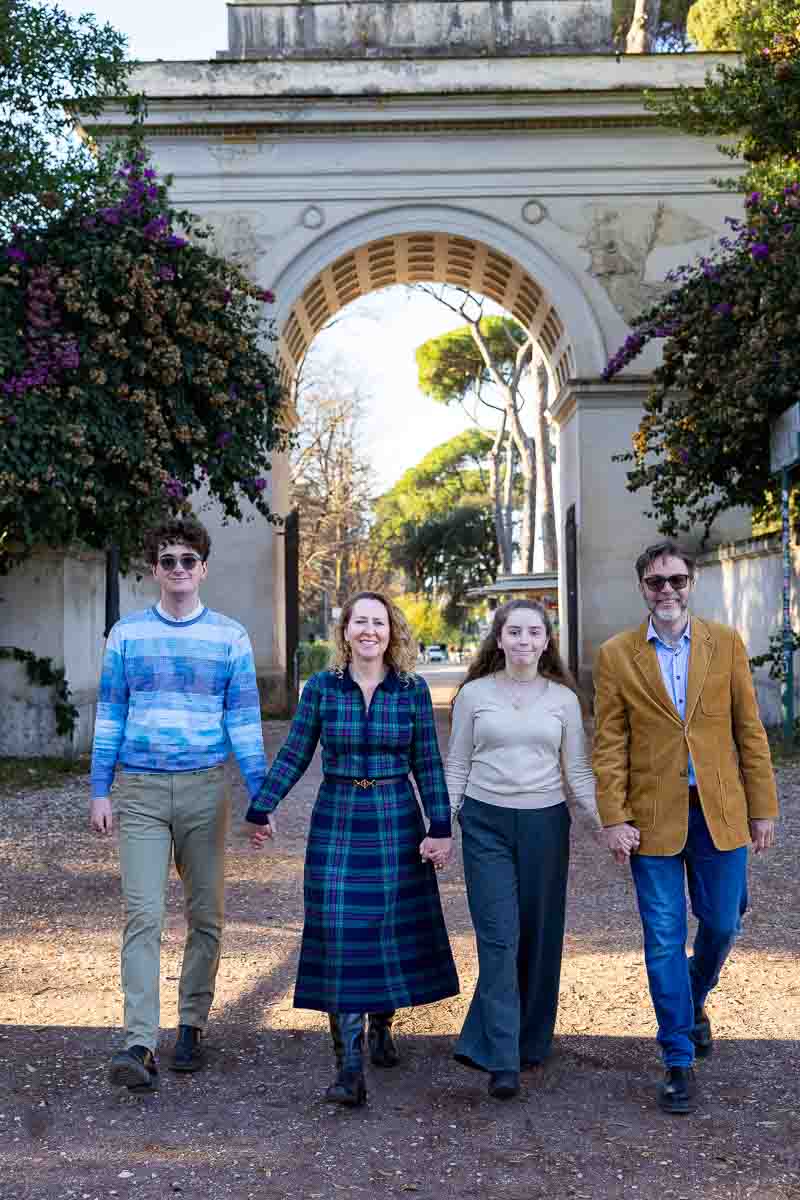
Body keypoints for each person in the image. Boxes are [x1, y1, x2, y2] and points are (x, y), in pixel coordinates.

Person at [246, 591, 459, 1107]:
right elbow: (296, 750)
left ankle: (383, 1024)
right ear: (345, 632)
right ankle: (348, 1068)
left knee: (386, 929)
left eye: (378, 623)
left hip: (395, 818)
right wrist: (263, 805)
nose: (369, 631)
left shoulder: (410, 690)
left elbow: (428, 763)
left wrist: (440, 826)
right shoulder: (321, 688)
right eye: (359, 622)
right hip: (338, 817)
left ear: (392, 632)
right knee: (340, 932)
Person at [593, 540, 778, 1115]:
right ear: (642, 587)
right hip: (652, 818)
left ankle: (692, 998)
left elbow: (749, 729)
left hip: (720, 811)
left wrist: (763, 807)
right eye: (656, 582)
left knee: (723, 922)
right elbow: (609, 744)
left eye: (676, 580)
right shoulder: (617, 654)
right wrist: (614, 816)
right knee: (663, 938)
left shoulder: (726, 643)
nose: (667, 591)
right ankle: (677, 1057)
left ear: (690, 583)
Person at [90, 516, 267, 1093]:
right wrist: (99, 790)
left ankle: (191, 1023)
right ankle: (139, 1042)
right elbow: (110, 714)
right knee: (141, 915)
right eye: (168, 560)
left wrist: (261, 800)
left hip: (203, 787)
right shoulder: (127, 635)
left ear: (203, 568)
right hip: (138, 790)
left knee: (206, 916)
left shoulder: (230, 637)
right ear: (155, 570)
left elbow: (244, 722)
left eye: (188, 560)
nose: (179, 570)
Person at [445, 599, 609, 1100]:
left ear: (545, 641)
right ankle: (502, 1057)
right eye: (513, 631)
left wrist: (608, 824)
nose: (523, 640)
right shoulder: (473, 696)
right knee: (498, 936)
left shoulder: (562, 700)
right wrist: (440, 825)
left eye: (533, 632)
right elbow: (456, 766)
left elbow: (578, 771)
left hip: (545, 825)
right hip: (484, 823)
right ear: (499, 639)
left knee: (538, 936)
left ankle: (530, 1038)